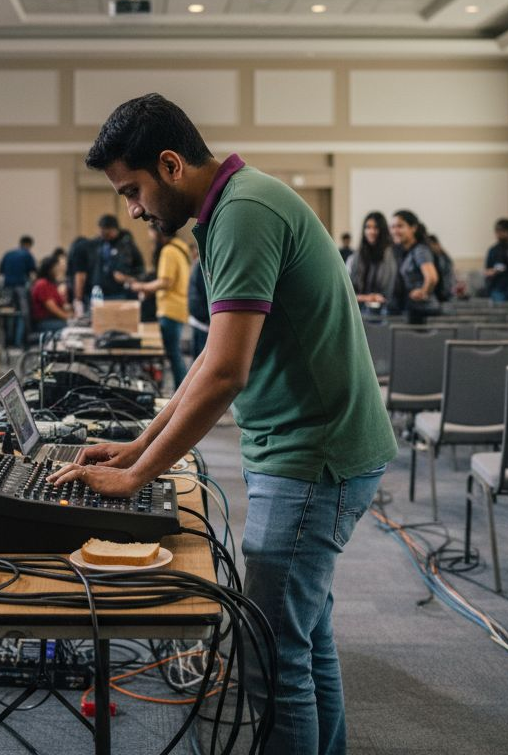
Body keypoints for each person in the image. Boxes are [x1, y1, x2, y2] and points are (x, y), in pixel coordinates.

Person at [51, 93, 398, 755]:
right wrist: (137, 446)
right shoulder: (233, 207)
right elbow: (212, 356)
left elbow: (225, 373)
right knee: (304, 637)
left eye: (133, 190)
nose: (133, 210)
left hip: (311, 457)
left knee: (272, 658)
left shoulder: (241, 214)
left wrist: (140, 477)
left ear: (171, 165)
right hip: (310, 450)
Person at [130, 226, 193, 388]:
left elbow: (166, 281)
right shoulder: (180, 246)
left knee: (173, 355)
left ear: (158, 232)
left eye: (150, 232)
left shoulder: (168, 251)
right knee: (174, 354)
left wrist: (141, 287)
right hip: (179, 307)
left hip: (170, 309)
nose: (150, 237)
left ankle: (181, 392)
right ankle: (182, 391)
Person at [391, 209, 440, 324]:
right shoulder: (402, 251)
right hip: (411, 309)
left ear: (413, 228)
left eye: (400, 226)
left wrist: (423, 291)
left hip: (421, 310)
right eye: (392, 227)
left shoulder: (420, 250)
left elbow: (432, 277)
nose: (395, 231)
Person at [347, 211, 397, 311]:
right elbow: (347, 291)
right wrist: (367, 298)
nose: (371, 231)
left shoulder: (392, 254)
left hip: (387, 311)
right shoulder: (355, 257)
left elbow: (392, 290)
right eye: (368, 227)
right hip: (359, 310)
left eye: (376, 228)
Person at [0, 235, 38, 346]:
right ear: (29, 245)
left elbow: (1, 271)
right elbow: (33, 272)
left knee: (9, 313)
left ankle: (8, 341)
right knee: (22, 314)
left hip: (7, 287)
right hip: (21, 287)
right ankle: (19, 341)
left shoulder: (8, 254)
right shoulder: (27, 254)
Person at [93, 213, 139, 300]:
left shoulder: (126, 244)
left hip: (121, 292)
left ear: (113, 229)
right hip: (102, 292)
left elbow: (138, 268)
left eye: (106, 233)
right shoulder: (101, 243)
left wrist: (127, 278)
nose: (103, 236)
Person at [30, 252, 71, 335]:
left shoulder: (51, 284)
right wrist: (69, 318)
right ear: (50, 269)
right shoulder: (42, 284)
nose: (59, 269)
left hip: (52, 319)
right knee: (71, 328)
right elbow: (52, 308)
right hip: (44, 322)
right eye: (57, 267)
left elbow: (61, 304)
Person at [186, 259, 209, 360]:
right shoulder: (201, 264)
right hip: (201, 320)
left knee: (200, 360)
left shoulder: (201, 264)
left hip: (202, 320)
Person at [426, 233, 456, 303]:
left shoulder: (441, 257)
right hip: (447, 292)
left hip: (444, 293)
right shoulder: (443, 256)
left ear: (435, 244)